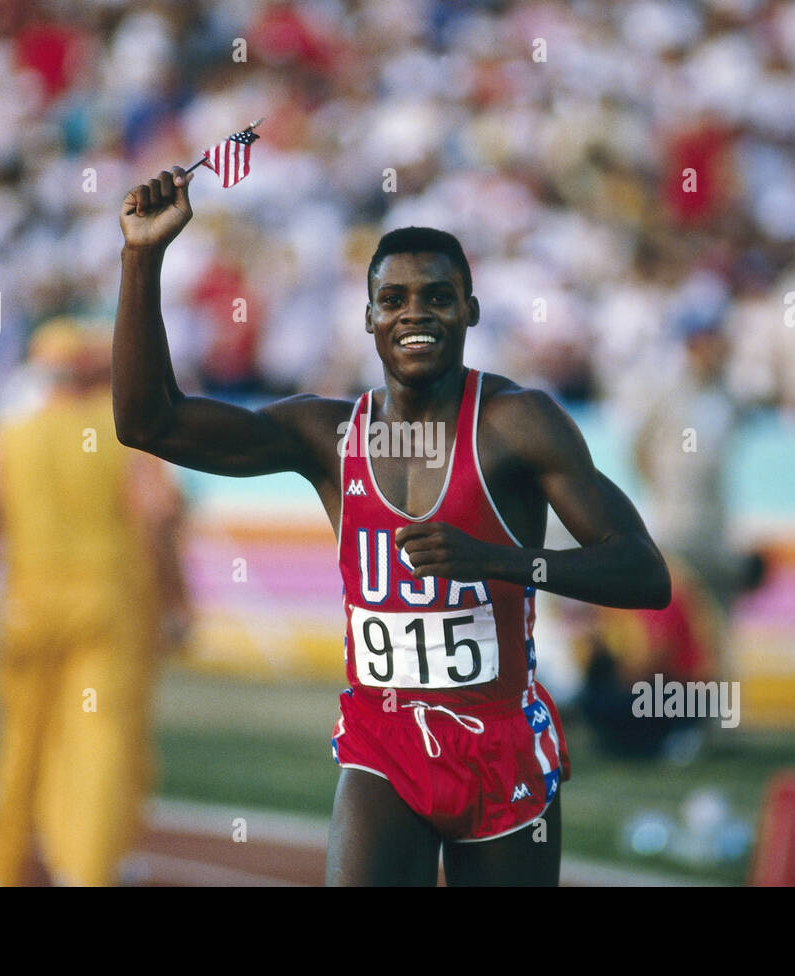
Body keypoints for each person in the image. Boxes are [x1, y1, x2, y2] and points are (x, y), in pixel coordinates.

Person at [112, 166, 670, 886]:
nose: (416, 314)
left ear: (469, 311)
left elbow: (642, 572)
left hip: (500, 743)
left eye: (438, 297)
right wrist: (142, 256)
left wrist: (501, 560)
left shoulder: (519, 424)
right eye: (394, 299)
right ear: (369, 318)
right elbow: (146, 421)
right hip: (385, 738)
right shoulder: (326, 434)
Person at [0, 319, 190, 886]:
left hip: (25, 610)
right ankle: (86, 871)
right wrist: (178, 602)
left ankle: (0, 869)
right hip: (110, 612)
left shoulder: (10, 435)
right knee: (99, 744)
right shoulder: (128, 436)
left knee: (19, 744)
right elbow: (158, 521)